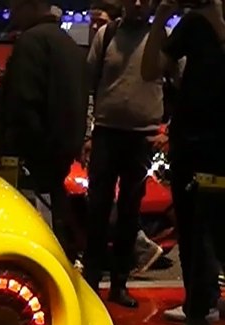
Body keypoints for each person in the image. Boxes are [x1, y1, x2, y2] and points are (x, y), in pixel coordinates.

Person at [141, 0, 225, 325]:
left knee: (216, 236)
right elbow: (149, 70)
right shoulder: (193, 23)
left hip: (220, 148)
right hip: (189, 145)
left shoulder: (213, 21)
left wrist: (216, 19)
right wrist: (160, 19)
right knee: (192, 237)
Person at [81, 0, 168, 306]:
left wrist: (167, 131)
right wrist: (88, 133)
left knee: (130, 212)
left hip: (143, 137)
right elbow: (89, 86)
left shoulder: (162, 38)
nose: (139, 4)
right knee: (97, 209)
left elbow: (181, 85)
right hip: (106, 133)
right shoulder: (106, 35)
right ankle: (91, 282)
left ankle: (119, 283)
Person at [0, 0, 88, 254]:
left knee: (27, 232)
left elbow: (23, 103)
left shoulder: (31, 42)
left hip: (30, 159)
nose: (12, 15)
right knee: (54, 223)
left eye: (16, 8)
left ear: (32, 6)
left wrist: (17, 151)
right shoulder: (69, 44)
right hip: (60, 153)